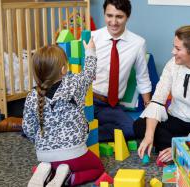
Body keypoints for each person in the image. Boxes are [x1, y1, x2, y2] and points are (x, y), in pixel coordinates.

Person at [133, 25, 190, 163]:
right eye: (174, 46)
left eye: (178, 49)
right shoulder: (172, 64)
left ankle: (177, 148)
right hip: (174, 119)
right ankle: (178, 149)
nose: (173, 51)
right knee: (140, 126)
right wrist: (149, 136)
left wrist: (179, 147)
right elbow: (157, 101)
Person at [22, 40, 104, 187]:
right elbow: (90, 73)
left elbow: (28, 128)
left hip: (44, 154)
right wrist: (90, 51)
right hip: (74, 152)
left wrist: (41, 142)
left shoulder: (32, 95)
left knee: (52, 161)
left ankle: (45, 170)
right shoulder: (75, 84)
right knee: (97, 168)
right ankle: (69, 178)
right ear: (64, 69)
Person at [91, 0, 152, 142]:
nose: (113, 22)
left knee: (132, 129)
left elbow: (142, 78)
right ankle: (85, 131)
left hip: (110, 106)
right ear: (104, 14)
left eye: (119, 16)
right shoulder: (93, 37)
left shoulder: (138, 43)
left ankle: (87, 134)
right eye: (109, 15)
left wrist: (149, 108)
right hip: (88, 100)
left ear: (127, 16)